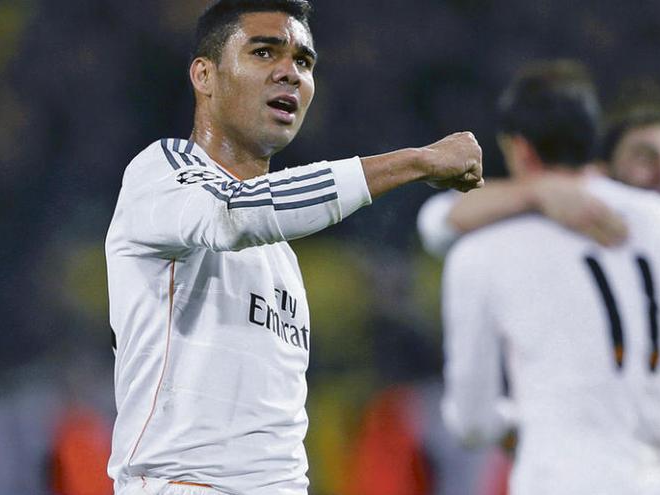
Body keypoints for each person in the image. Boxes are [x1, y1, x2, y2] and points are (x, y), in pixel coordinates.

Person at [104, 1, 484, 493]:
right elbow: (232, 214)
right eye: (264, 52)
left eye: (304, 63)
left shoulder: (280, 252)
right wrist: (417, 162)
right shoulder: (161, 173)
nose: (289, 72)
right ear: (205, 75)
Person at [439, 60, 660, 494]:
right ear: (594, 148)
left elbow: (473, 422)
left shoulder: (480, 249)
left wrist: (522, 418)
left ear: (519, 149)